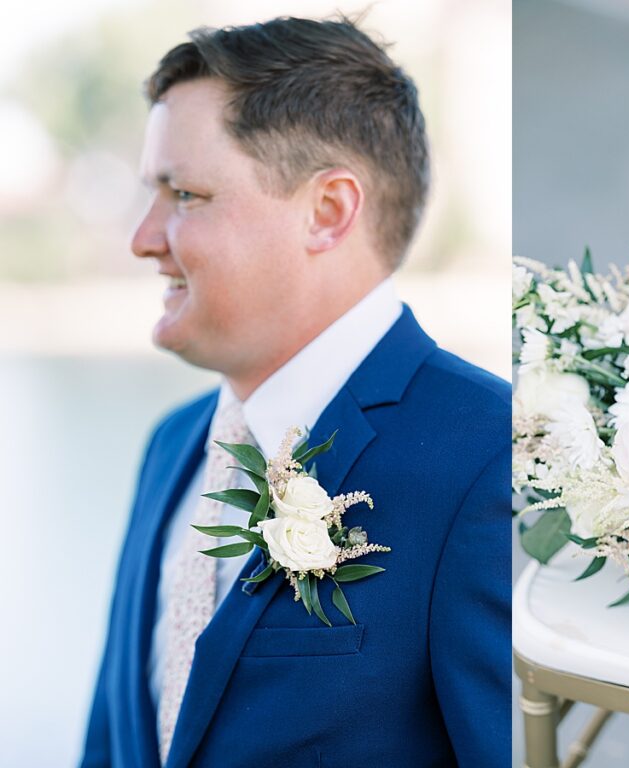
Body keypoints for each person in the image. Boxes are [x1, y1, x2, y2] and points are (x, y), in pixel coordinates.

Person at [79, 16, 510, 768]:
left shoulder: (486, 454)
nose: (143, 239)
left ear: (327, 212)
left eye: (184, 193)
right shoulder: (172, 448)